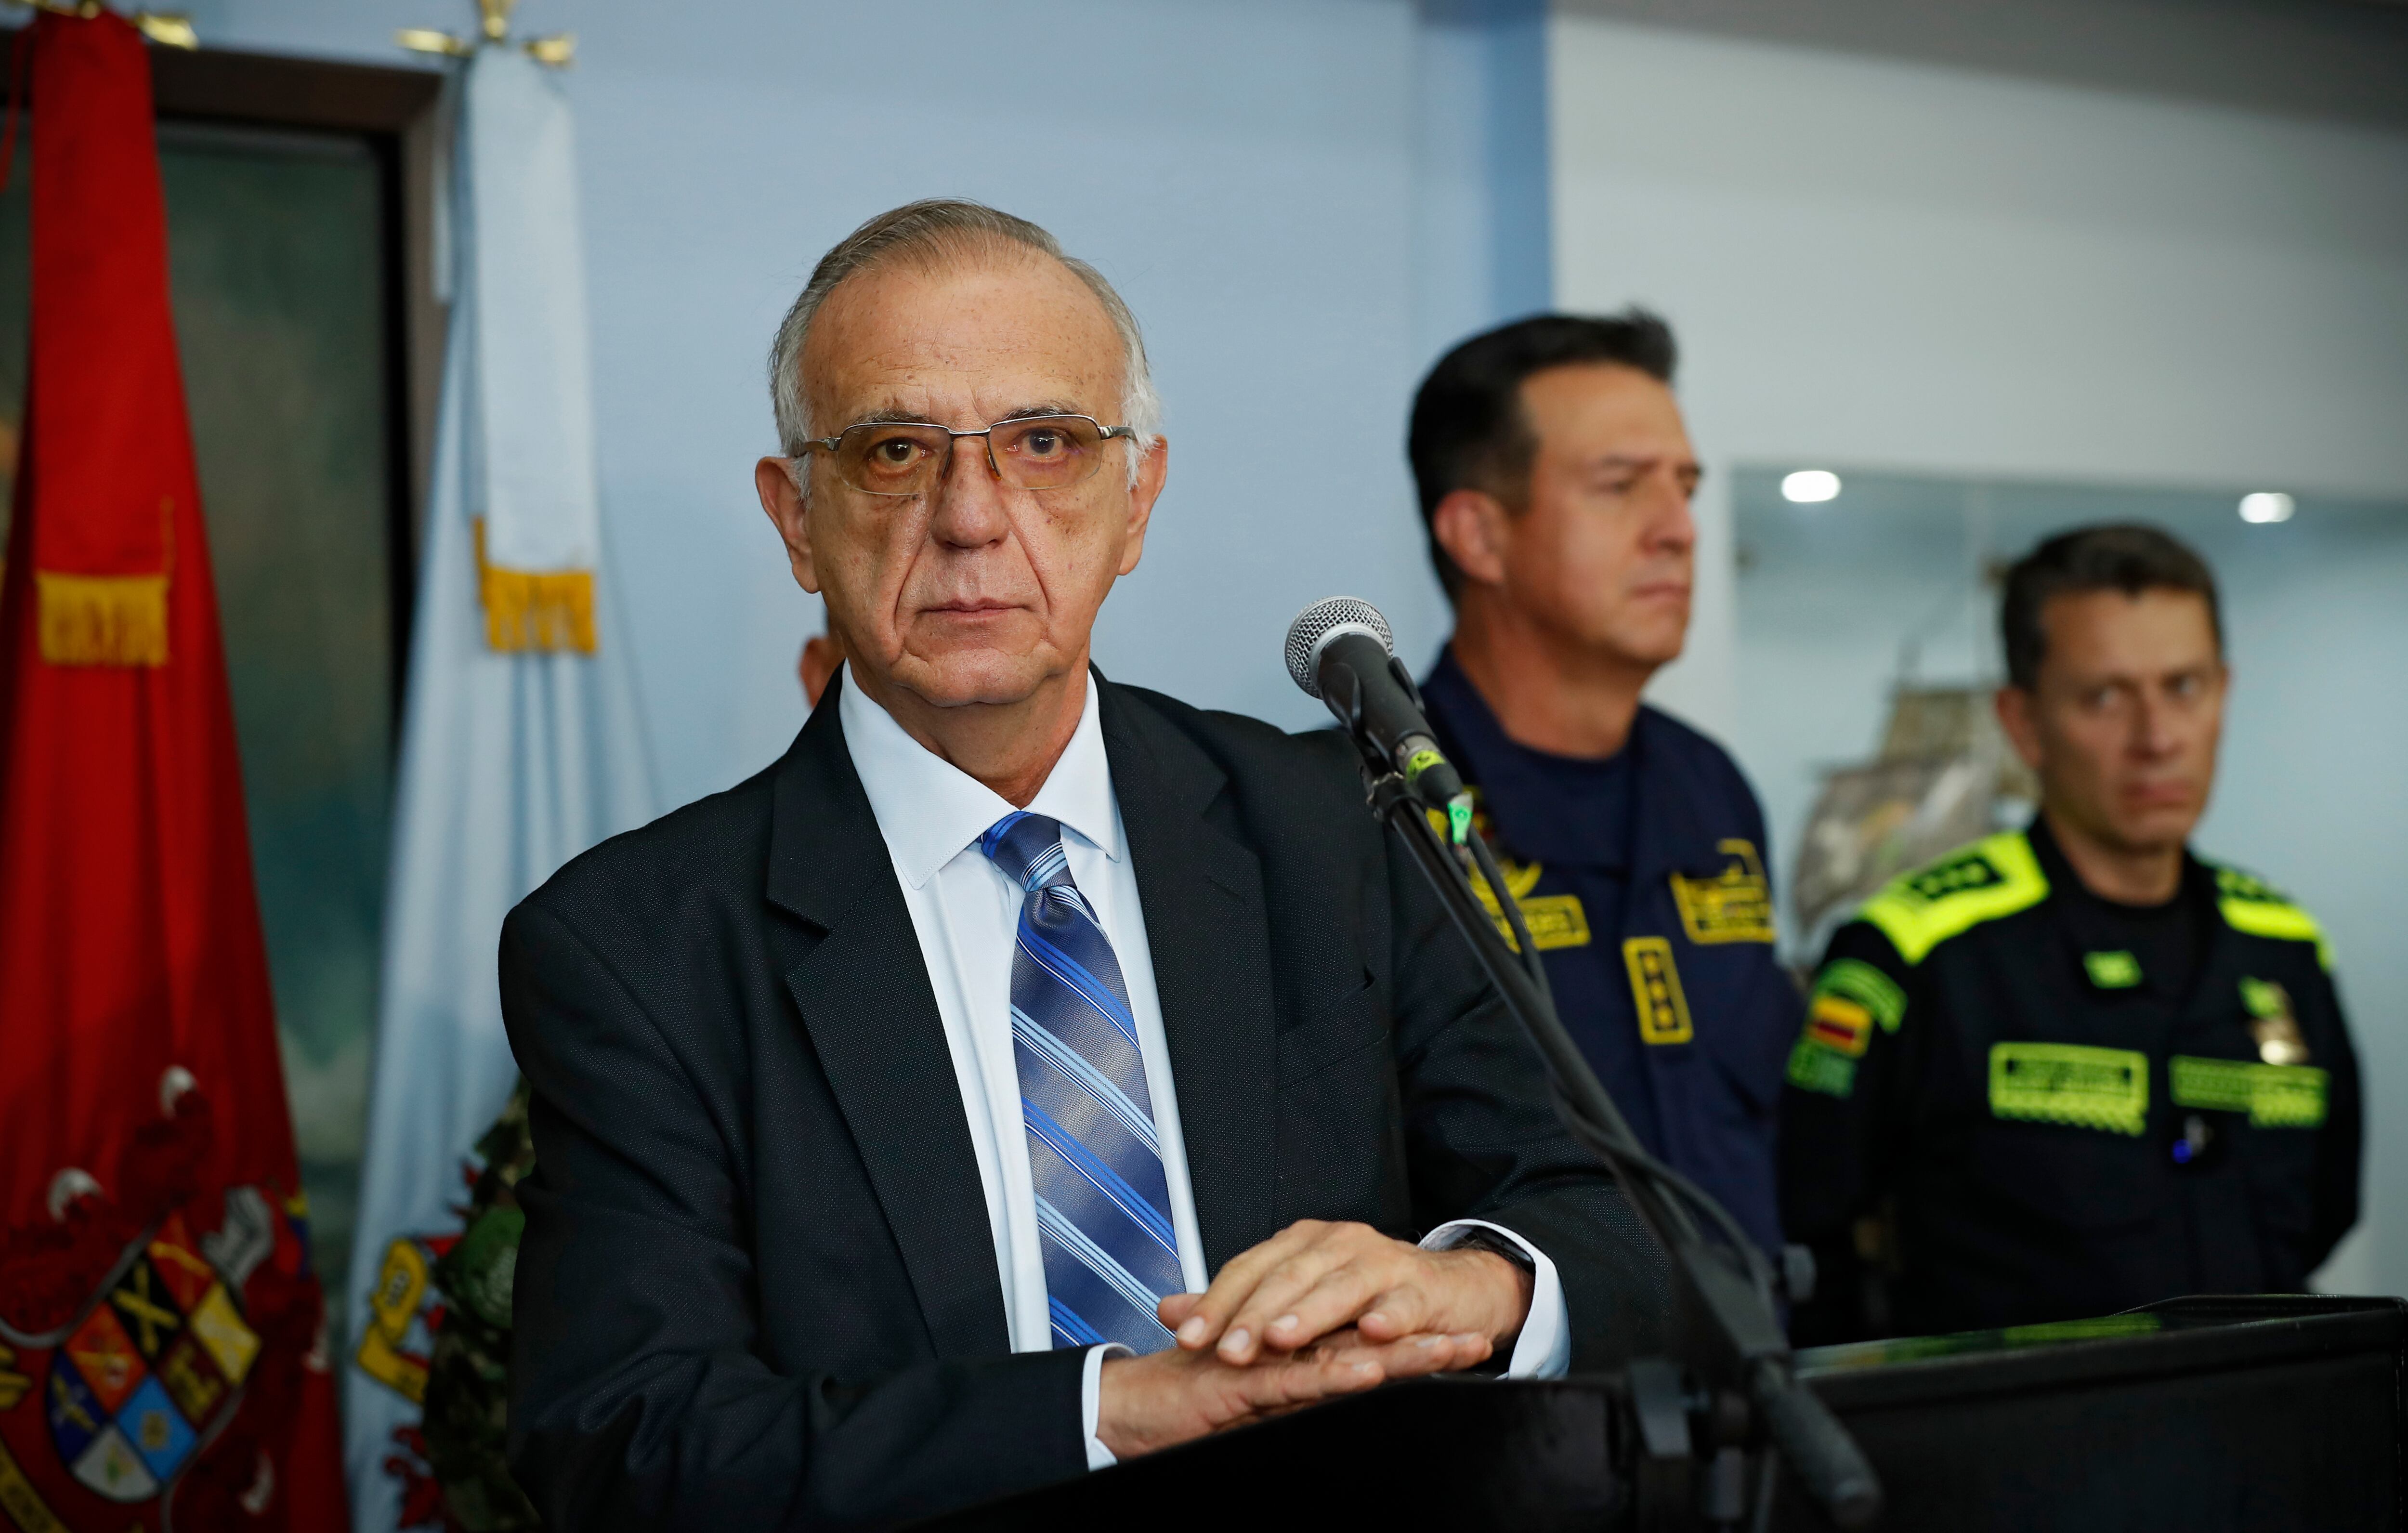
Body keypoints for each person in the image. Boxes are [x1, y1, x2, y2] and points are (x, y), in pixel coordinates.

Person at [498, 201, 1665, 1528]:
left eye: (1043, 443)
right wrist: (1110, 1409)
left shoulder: (1338, 828)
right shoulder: (636, 945)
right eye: (894, 450)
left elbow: (1620, 1223)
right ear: (797, 518)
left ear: (1138, 498)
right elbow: (626, 1441)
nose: (971, 518)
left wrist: (1484, 1291)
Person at [1780, 524, 2362, 1341]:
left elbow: (2326, 1212)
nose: (2157, 739)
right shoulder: (1915, 954)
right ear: (2022, 722)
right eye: (2105, 697)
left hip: (2262, 1436)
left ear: (2224, 692)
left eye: (2184, 687)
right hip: (2011, 1449)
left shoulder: (2286, 949)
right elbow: (1809, 1240)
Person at [1407, 314, 1800, 1264]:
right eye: (1620, 487)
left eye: (1687, 488)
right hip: (1523, 1396)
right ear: (1479, 535)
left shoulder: (1712, 790)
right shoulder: (1371, 805)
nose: (1677, 530)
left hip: (1750, 1378)